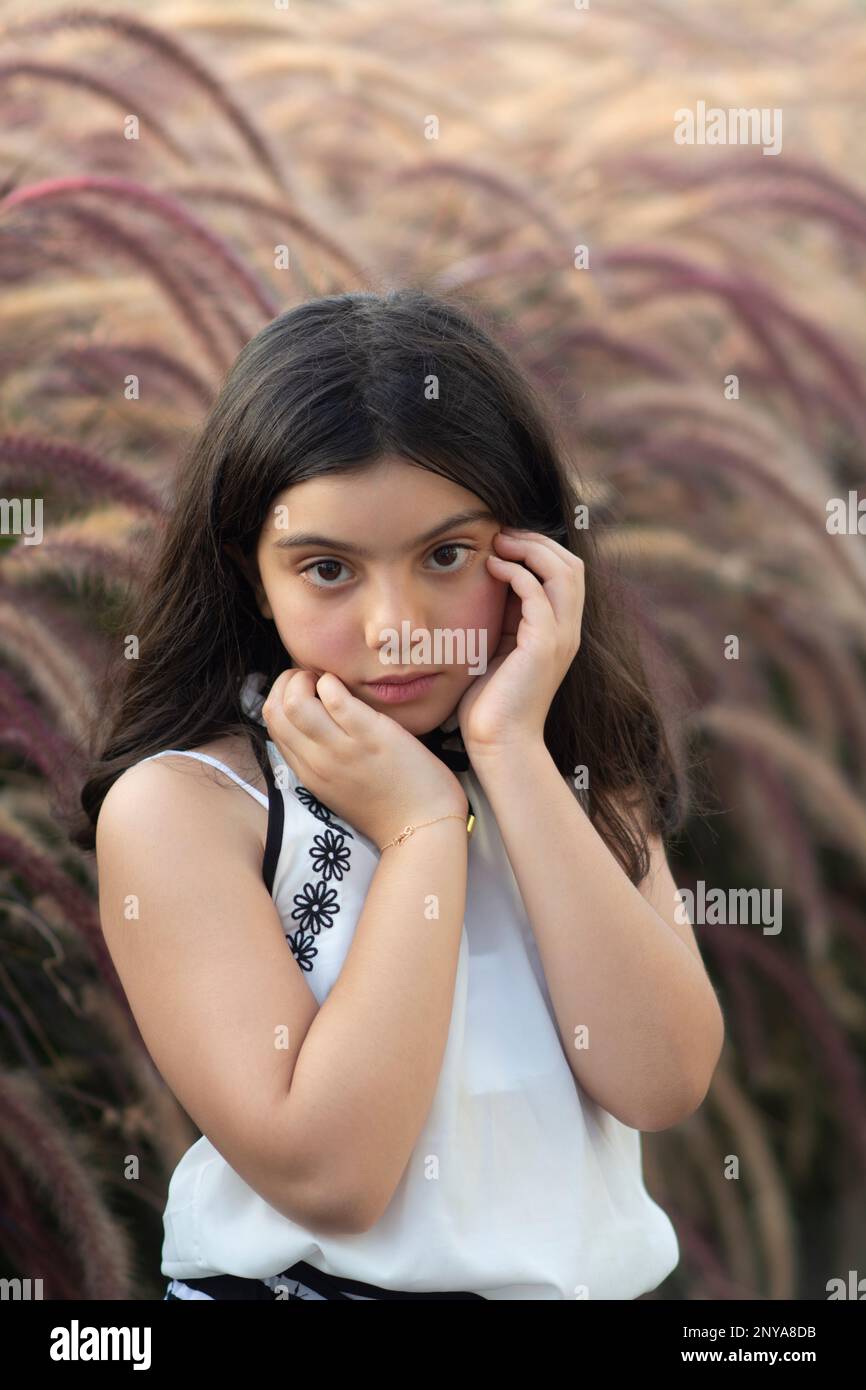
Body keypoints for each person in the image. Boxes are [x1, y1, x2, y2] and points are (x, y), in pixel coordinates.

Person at [74, 287, 724, 1300]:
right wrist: (423, 830)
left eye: (446, 555)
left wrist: (507, 748)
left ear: (533, 556)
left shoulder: (571, 770)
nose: (396, 627)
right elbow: (330, 1175)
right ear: (253, 577)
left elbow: (658, 1078)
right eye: (328, 567)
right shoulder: (188, 808)